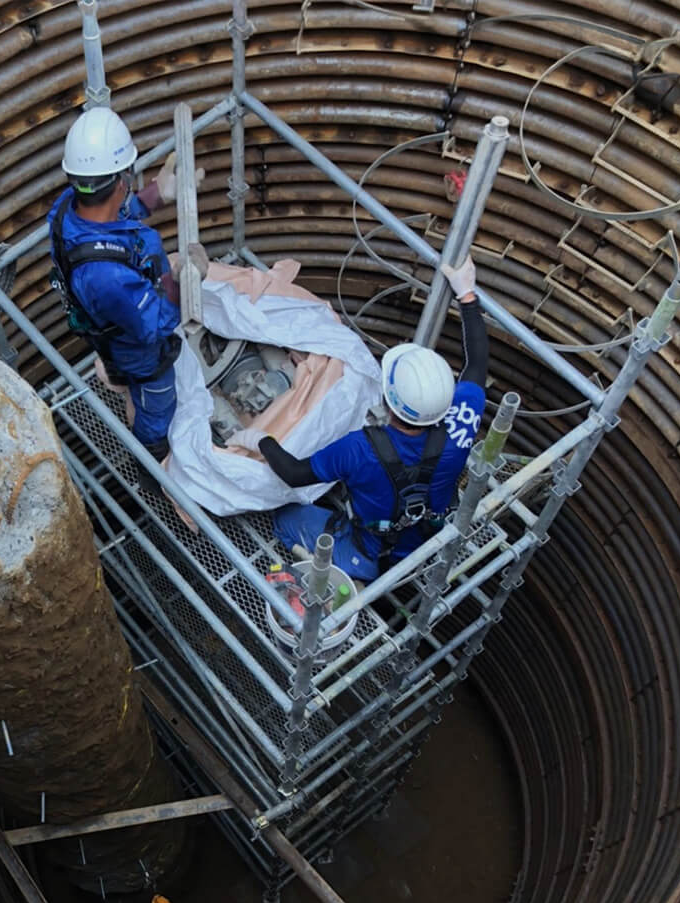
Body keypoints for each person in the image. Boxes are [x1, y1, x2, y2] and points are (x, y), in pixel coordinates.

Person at [232, 259, 490, 581]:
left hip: (367, 553)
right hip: (427, 539)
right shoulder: (462, 423)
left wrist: (259, 439)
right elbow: (477, 364)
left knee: (285, 519)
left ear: (387, 400)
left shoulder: (360, 449)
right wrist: (466, 294)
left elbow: (294, 474)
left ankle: (340, 576)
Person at [47, 106, 202, 462]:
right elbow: (155, 325)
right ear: (121, 181)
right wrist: (182, 282)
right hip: (137, 351)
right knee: (158, 401)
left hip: (109, 324)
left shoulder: (65, 209)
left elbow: (107, 223)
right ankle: (151, 457)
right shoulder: (107, 278)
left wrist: (151, 197)